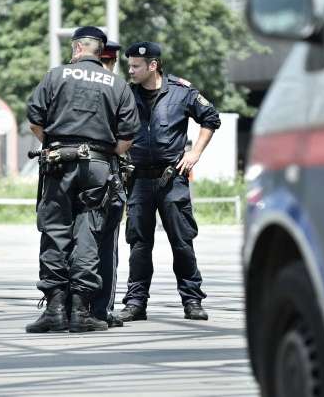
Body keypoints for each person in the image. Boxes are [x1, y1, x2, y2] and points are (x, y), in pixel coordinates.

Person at [25, 26, 140, 333]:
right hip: (98, 167)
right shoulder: (117, 85)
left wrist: (55, 144)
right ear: (101, 52)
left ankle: (54, 310)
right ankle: (80, 311)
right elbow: (127, 136)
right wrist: (105, 154)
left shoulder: (55, 76)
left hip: (58, 163)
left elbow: (35, 120)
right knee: (89, 234)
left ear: (77, 48)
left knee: (55, 231)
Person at [117, 41, 221, 322]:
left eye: (136, 66)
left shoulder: (181, 91)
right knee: (139, 244)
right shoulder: (126, 94)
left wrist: (195, 153)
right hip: (138, 179)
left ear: (153, 65)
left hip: (171, 179)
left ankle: (192, 300)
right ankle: (136, 303)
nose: (130, 70)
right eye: (129, 65)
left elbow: (211, 118)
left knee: (182, 241)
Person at [89, 39, 125, 328]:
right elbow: (128, 135)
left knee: (74, 240)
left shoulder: (66, 82)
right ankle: (101, 309)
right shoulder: (116, 88)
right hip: (107, 171)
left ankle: (71, 304)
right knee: (106, 243)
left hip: (69, 173)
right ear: (112, 61)